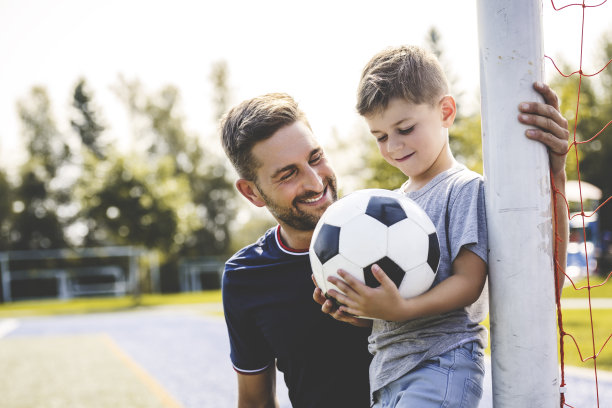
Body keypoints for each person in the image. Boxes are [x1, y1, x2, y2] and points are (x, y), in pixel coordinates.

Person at [314, 45, 569, 407]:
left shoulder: (463, 188)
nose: (393, 146)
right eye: (381, 136)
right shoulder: (387, 205)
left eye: (404, 128)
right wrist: (357, 307)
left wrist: (399, 309)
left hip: (441, 363)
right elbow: (391, 311)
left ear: (445, 112)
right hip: (388, 372)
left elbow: (468, 282)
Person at [220, 93, 373, 408]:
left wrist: (379, 318)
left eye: (315, 157)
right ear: (251, 192)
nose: (316, 182)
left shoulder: (392, 229)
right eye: (288, 174)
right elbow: (255, 402)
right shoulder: (245, 278)